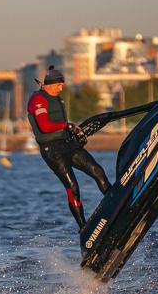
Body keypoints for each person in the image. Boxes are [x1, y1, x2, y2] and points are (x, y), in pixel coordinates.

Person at [27, 66, 110, 230]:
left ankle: (116, 203)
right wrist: (66, 125)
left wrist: (71, 131)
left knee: (97, 170)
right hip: (52, 150)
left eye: (62, 85)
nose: (61, 88)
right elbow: (44, 126)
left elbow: (60, 124)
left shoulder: (57, 99)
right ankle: (83, 228)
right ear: (49, 85)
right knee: (73, 188)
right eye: (59, 85)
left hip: (68, 144)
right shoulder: (38, 99)